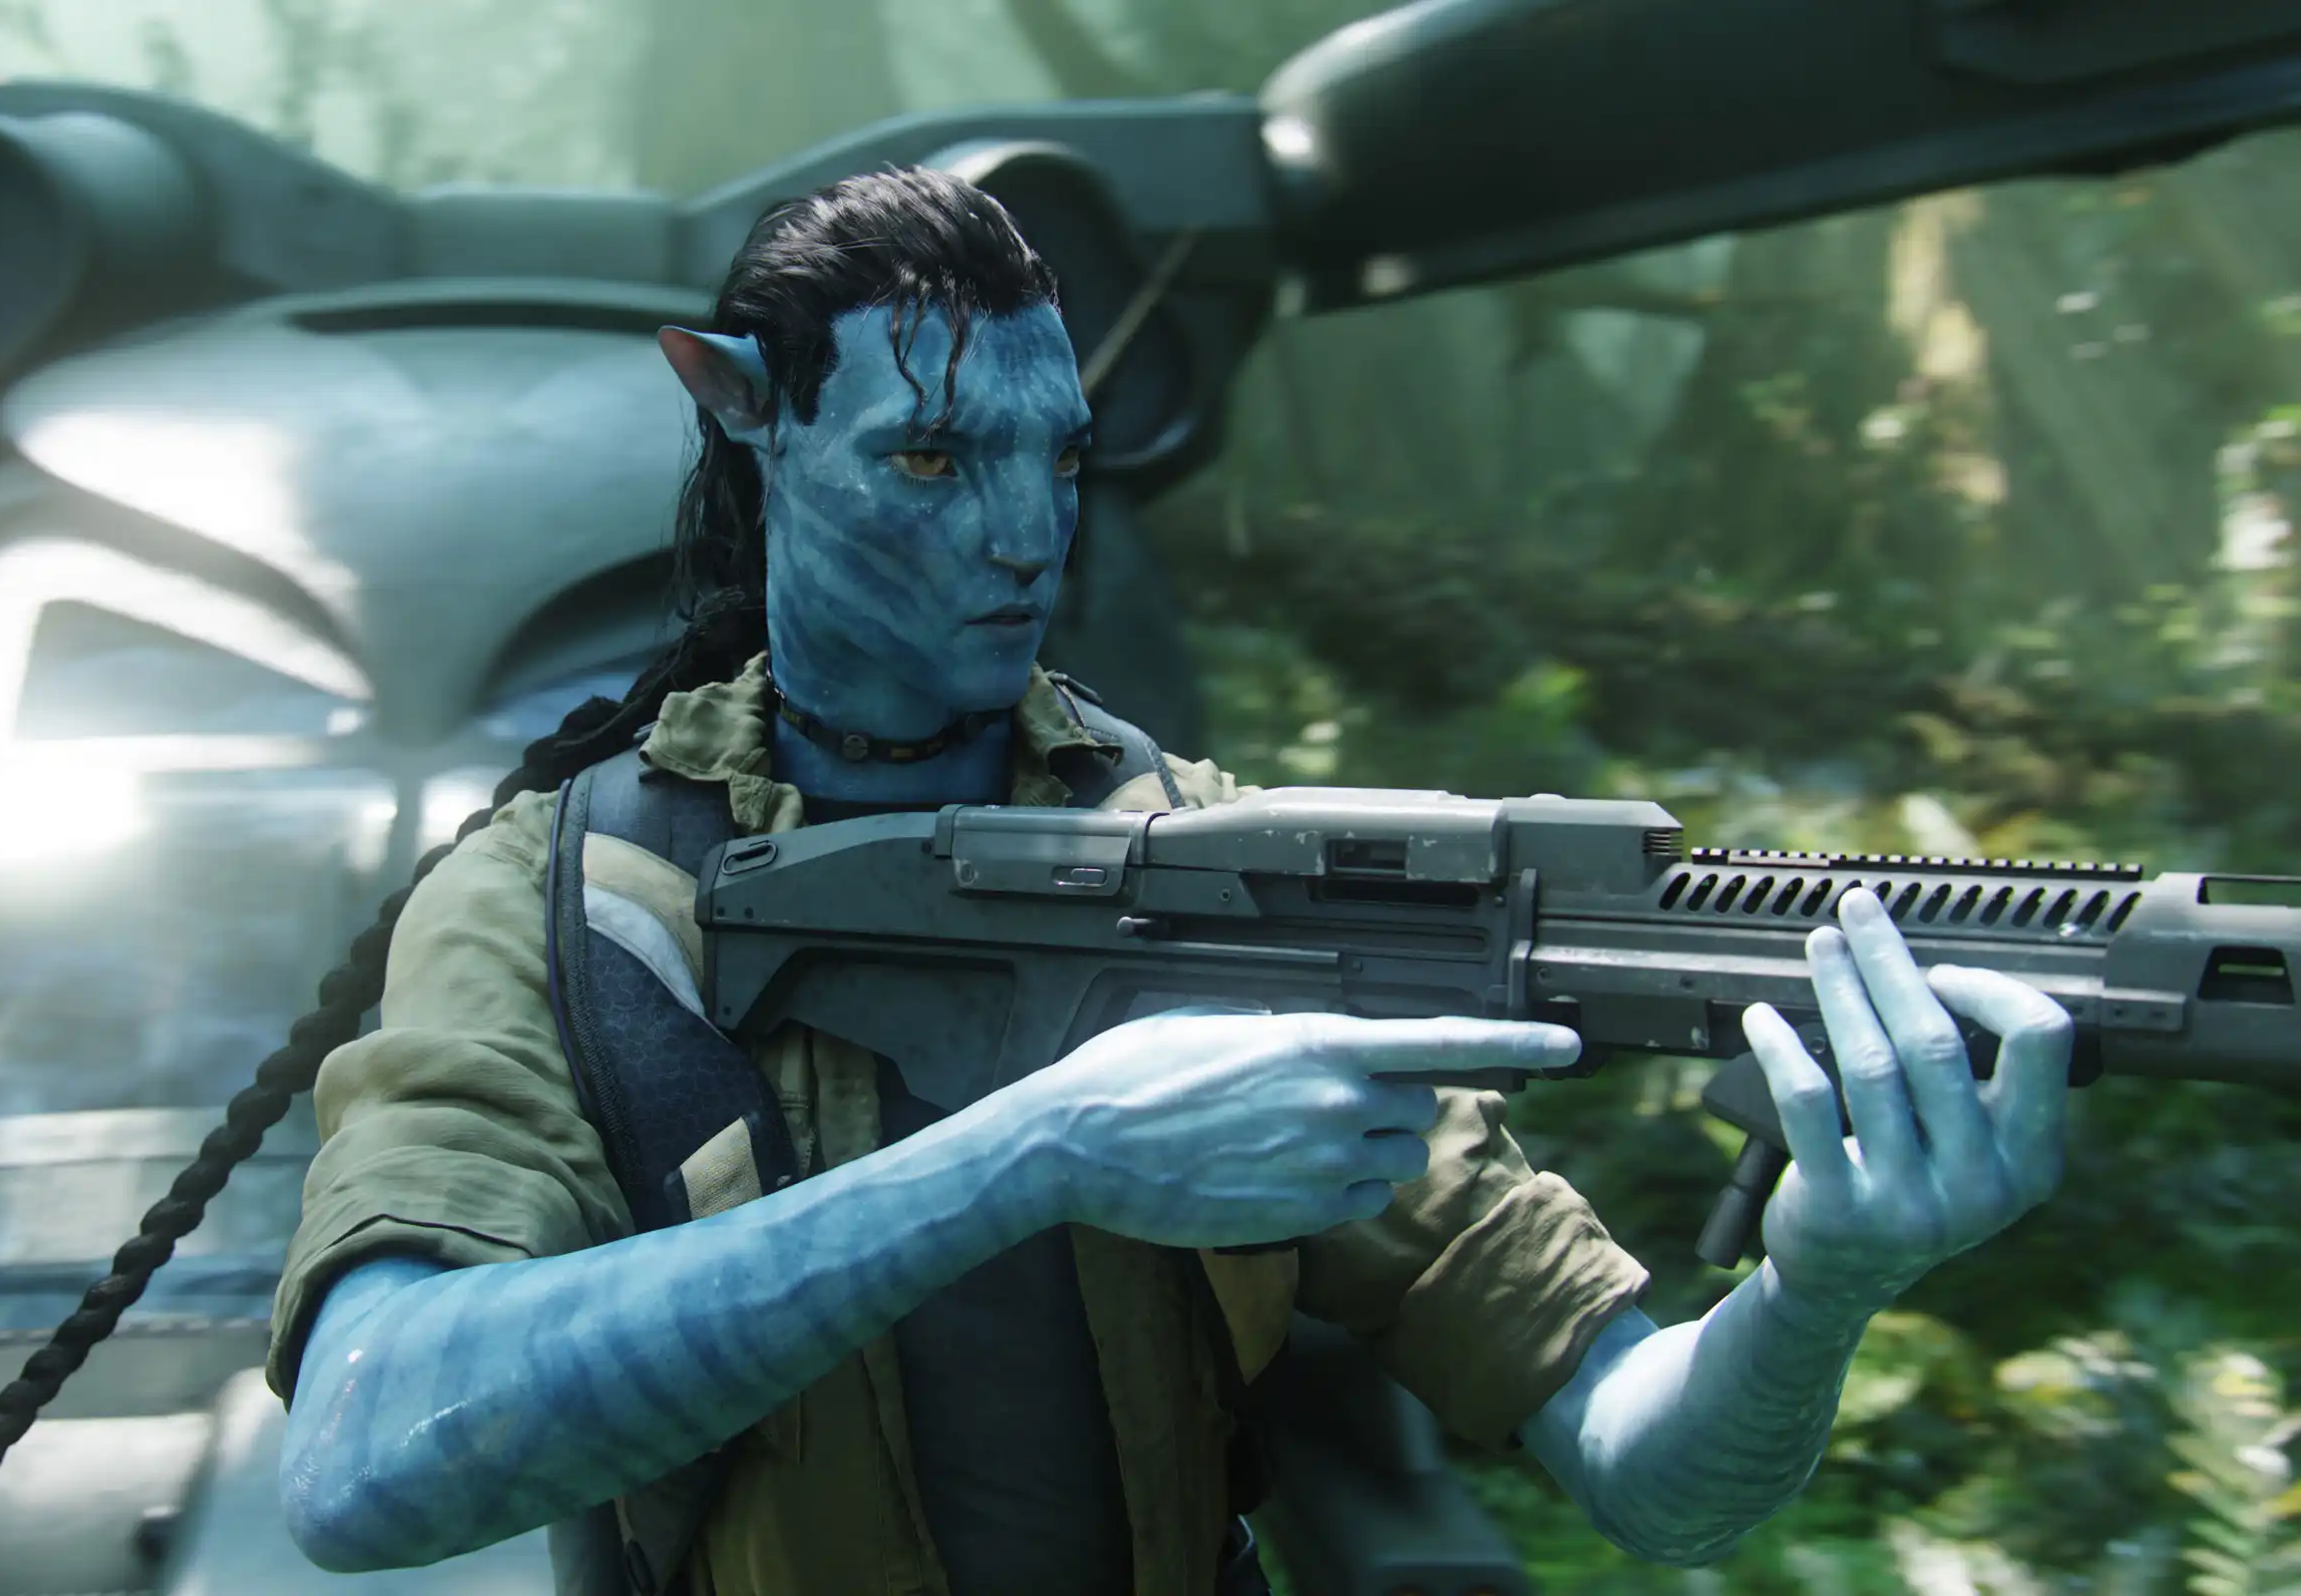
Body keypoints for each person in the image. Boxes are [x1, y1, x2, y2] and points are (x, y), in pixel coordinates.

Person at [269, 168, 2074, 1596]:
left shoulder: (1232, 879)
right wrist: (1037, 1154)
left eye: (1058, 456)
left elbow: (1653, 1475)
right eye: (928, 457)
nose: (1022, 535)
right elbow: (362, 1458)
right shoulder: (568, 900)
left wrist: (1819, 1291)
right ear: (745, 414)